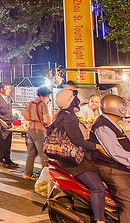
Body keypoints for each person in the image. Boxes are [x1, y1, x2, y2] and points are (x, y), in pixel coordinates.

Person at [51, 89, 107, 223]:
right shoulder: (68, 117)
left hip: (70, 157)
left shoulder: (63, 115)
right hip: (74, 161)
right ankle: (100, 220)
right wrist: (97, 147)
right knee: (98, 187)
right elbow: (77, 140)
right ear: (70, 101)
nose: (77, 100)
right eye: (74, 98)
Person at [89, 94, 130, 223]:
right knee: (128, 202)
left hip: (120, 167)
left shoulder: (112, 123)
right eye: (123, 106)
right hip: (112, 169)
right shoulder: (103, 126)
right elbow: (116, 152)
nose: (125, 108)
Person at [22, 86, 52, 180]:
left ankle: (27, 173)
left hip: (30, 129)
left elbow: (25, 115)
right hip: (39, 130)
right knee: (43, 153)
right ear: (46, 95)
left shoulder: (30, 103)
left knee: (31, 152)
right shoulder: (43, 104)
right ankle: (45, 175)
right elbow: (47, 119)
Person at [0, 82, 18, 169]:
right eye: (7, 89)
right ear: (1, 89)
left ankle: (8, 160)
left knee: (8, 143)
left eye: (9, 89)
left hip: (9, 124)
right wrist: (2, 122)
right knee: (2, 143)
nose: (8, 91)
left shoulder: (8, 99)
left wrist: (11, 122)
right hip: (1, 125)